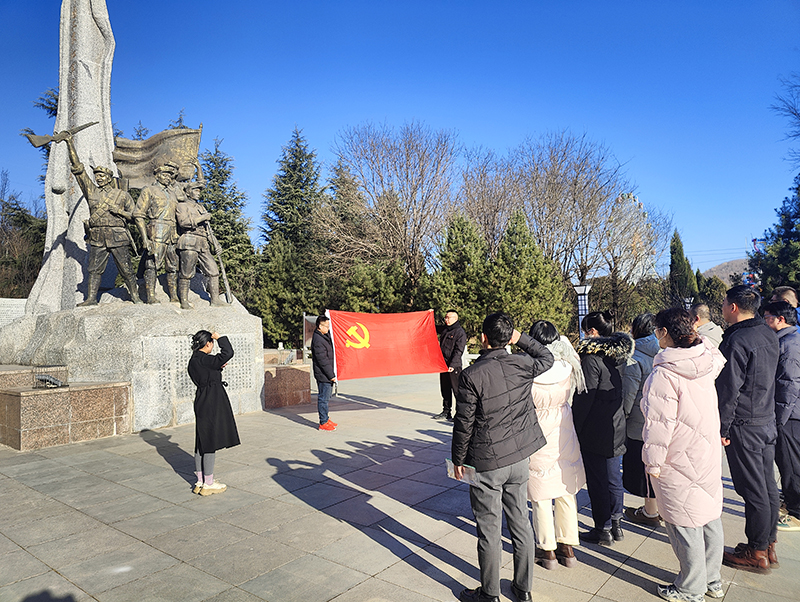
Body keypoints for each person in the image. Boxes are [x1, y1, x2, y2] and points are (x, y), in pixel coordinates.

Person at [452, 312, 554, 602]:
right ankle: (523, 589)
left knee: (489, 528)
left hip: (487, 462)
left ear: (484, 338)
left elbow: (464, 423)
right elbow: (546, 357)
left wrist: (458, 459)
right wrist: (520, 338)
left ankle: (490, 592)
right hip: (518, 458)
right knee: (521, 521)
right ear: (508, 339)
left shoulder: (472, 375)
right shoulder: (521, 363)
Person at [641, 308, 726, 602]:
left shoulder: (665, 373)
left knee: (683, 522)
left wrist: (652, 463)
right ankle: (712, 580)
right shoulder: (706, 359)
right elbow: (716, 354)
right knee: (708, 516)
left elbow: (659, 424)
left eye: (658, 330)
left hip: (677, 456)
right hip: (705, 450)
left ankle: (690, 588)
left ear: (664, 332)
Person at [716, 285, 781, 573]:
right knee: (766, 486)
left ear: (733, 307)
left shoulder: (737, 340)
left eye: (724, 303)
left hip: (745, 423)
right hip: (766, 418)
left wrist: (722, 428)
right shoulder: (767, 332)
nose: (722, 308)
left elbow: (729, 390)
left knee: (754, 490)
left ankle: (756, 551)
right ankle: (767, 544)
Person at [526, 320, 586, 570]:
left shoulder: (529, 368)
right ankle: (568, 546)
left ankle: (547, 549)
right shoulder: (567, 363)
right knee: (565, 489)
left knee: (540, 493)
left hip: (537, 429)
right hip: (563, 425)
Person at [573, 310, 633, 546]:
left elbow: (585, 397)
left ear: (592, 332)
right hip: (616, 422)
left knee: (598, 480)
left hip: (596, 427)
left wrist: (576, 426)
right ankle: (616, 524)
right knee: (613, 477)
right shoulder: (619, 355)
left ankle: (603, 528)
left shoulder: (591, 358)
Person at [60, 132, 140, 306]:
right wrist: (69, 143)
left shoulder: (122, 195)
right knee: (94, 270)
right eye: (96, 176)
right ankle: (90, 299)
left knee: (126, 268)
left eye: (102, 176)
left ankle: (135, 296)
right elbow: (78, 169)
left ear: (109, 178)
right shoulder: (92, 192)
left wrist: (119, 211)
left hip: (118, 235)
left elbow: (135, 217)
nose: (98, 178)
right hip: (98, 236)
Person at [762, 301, 800, 532]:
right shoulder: (788, 340)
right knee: (788, 463)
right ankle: (792, 503)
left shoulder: (790, 344)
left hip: (790, 416)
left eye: (767, 317)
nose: (765, 321)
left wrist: (779, 419)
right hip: (790, 414)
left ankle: (797, 513)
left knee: (791, 464)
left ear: (780, 319)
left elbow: (789, 384)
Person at [621, 313, 662, 528]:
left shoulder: (634, 357)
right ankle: (661, 508)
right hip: (661, 419)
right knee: (658, 464)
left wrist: (623, 416)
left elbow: (629, 394)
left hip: (639, 421)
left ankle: (650, 512)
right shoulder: (664, 351)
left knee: (645, 468)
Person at [188, 330, 240, 496]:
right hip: (212, 400)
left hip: (201, 399)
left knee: (201, 441)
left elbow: (205, 373)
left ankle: (200, 481)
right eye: (212, 343)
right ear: (208, 343)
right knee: (210, 440)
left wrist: (217, 368)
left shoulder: (194, 360)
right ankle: (209, 483)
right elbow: (228, 352)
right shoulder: (206, 359)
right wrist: (220, 338)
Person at [133, 162, 182, 304]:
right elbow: (138, 215)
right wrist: (145, 238)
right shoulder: (149, 190)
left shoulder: (173, 193)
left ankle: (174, 295)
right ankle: (151, 296)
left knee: (173, 265)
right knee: (152, 263)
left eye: (170, 175)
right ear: (157, 175)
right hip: (157, 229)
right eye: (164, 174)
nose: (167, 177)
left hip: (172, 232)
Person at [175, 181, 226, 309]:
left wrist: (215, 243)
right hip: (189, 241)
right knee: (186, 273)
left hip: (203, 242)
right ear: (188, 192)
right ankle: (184, 301)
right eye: (196, 190)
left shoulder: (201, 207)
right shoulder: (182, 206)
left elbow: (208, 229)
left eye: (199, 191)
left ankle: (215, 300)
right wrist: (202, 218)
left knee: (213, 271)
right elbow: (184, 222)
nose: (198, 193)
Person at [434, 309, 467, 421]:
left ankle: (460, 414)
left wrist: (453, 364)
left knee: (457, 391)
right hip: (443, 364)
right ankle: (446, 412)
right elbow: (432, 327)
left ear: (455, 319)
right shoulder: (445, 329)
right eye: (446, 317)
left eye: (449, 318)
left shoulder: (460, 332)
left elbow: (459, 350)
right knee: (445, 389)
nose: (446, 320)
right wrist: (429, 314)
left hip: (454, 366)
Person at [311, 315, 337, 431]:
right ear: (320, 326)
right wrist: (331, 375)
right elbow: (323, 361)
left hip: (327, 373)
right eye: (326, 326)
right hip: (323, 375)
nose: (328, 328)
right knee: (323, 399)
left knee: (326, 397)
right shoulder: (318, 340)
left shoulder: (324, 335)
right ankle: (323, 422)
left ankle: (326, 418)